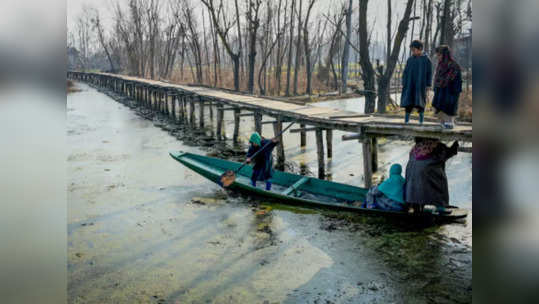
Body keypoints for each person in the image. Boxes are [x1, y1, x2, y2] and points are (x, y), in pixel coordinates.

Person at [404, 137, 459, 214]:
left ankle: (417, 207)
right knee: (439, 181)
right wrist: (456, 144)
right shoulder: (438, 147)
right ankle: (440, 206)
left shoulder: (415, 147)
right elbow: (450, 153)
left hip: (412, 182)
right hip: (425, 177)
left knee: (419, 175)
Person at [400, 40, 433, 124]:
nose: (413, 52)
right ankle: (406, 121)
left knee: (420, 103)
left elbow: (429, 73)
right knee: (408, 102)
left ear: (420, 49)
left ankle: (421, 121)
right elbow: (405, 72)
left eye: (414, 50)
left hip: (421, 84)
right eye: (412, 50)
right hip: (410, 84)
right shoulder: (410, 59)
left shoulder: (426, 60)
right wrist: (403, 82)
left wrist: (428, 84)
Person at [432, 45, 463, 129]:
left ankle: (449, 123)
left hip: (450, 92)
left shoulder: (454, 66)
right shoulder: (440, 65)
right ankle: (442, 124)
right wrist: (436, 87)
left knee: (448, 108)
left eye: (439, 55)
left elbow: (454, 81)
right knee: (439, 108)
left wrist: (445, 85)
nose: (437, 57)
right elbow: (437, 78)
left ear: (445, 55)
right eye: (437, 55)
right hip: (440, 91)